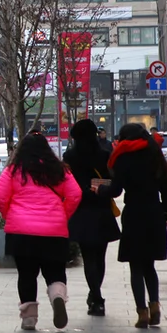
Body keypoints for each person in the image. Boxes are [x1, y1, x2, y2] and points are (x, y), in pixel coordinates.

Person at [0, 133, 82, 331]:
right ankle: (57, 296)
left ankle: (29, 318)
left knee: (26, 274)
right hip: (54, 230)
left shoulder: (13, 170)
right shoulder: (59, 170)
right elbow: (75, 194)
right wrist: (62, 215)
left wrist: (11, 215)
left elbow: (0, 195)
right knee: (55, 271)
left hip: (21, 231)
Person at [95, 123, 167, 329]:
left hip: (134, 214)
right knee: (149, 265)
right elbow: (166, 188)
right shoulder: (155, 155)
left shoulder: (123, 156)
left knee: (135, 266)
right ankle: (155, 304)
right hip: (154, 212)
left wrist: (99, 190)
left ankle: (142, 313)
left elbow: (116, 190)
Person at [64, 119, 121, 316]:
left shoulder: (69, 156)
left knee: (88, 257)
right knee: (100, 256)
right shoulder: (104, 154)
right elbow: (114, 183)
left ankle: (96, 298)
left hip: (81, 211)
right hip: (102, 209)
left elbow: (68, 183)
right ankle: (95, 295)